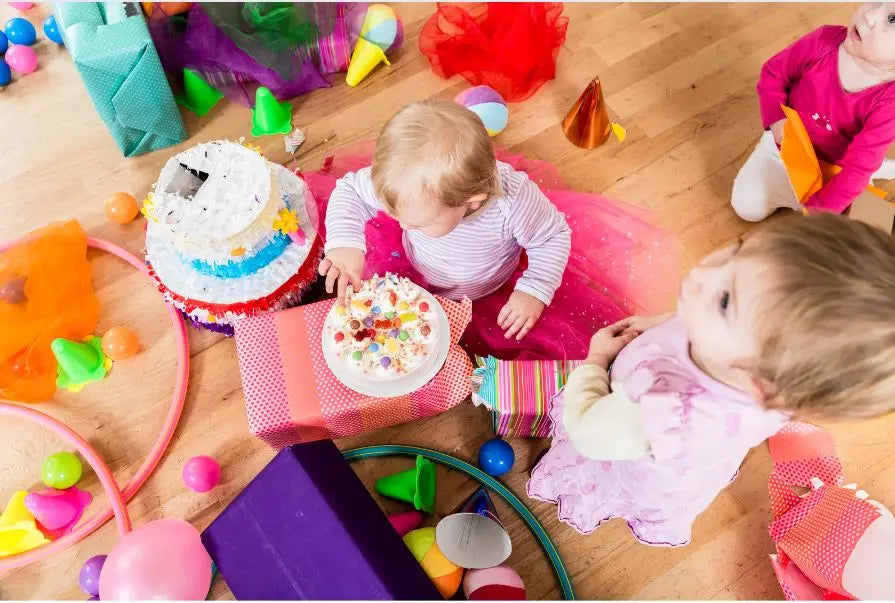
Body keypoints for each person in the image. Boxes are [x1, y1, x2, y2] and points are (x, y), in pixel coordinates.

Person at [529, 213, 895, 546]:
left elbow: (590, 432)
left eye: (724, 302)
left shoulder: (667, 410)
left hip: (622, 454)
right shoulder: (767, 375)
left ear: (762, 383)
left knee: (589, 457)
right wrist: (664, 324)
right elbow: (705, 325)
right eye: (736, 251)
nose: (702, 273)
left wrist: (596, 361)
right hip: (674, 443)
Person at [311, 100, 679, 360]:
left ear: (471, 202)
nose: (401, 224)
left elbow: (553, 237)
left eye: (417, 222)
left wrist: (534, 291)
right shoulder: (410, 188)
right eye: (397, 214)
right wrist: (345, 246)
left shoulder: (512, 204)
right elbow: (350, 191)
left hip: (486, 287)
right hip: (418, 268)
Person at [732, 3, 895, 221]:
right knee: (747, 208)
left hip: (833, 170)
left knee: (857, 209)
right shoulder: (822, 41)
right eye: (877, 1)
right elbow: (773, 75)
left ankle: (875, 167)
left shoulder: (890, 103)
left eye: (892, 19)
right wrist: (776, 119)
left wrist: (820, 213)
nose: (869, 14)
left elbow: (856, 169)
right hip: (782, 149)